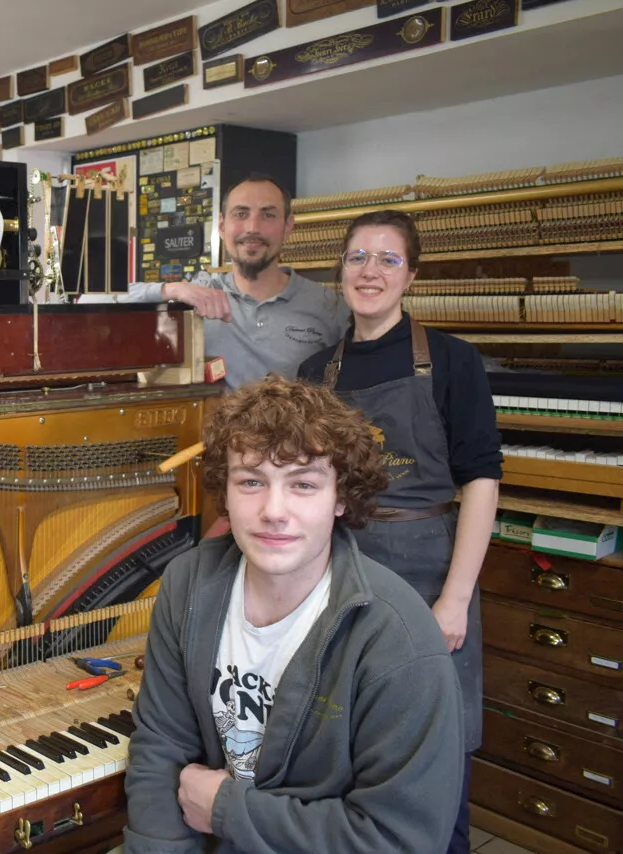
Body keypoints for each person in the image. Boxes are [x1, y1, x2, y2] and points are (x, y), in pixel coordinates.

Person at [124, 375, 465, 854]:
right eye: (251, 481)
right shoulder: (188, 583)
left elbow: (399, 840)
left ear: (340, 498)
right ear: (226, 491)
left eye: (303, 484)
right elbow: (161, 747)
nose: (273, 510)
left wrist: (227, 809)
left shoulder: (399, 640)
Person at [297, 209, 502, 854]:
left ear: (410, 274)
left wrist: (455, 599)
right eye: (358, 257)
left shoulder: (451, 361)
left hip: (428, 571)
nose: (371, 272)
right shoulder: (315, 372)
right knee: (344, 746)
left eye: (388, 259)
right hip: (341, 570)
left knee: (434, 758)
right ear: (341, 271)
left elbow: (482, 481)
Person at [126, 174, 349, 389]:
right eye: (241, 214)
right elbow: (100, 301)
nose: (252, 228)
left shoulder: (329, 306)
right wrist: (171, 290)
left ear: (288, 227)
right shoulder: (197, 295)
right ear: (222, 227)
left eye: (268, 215)